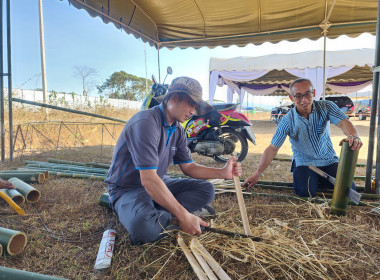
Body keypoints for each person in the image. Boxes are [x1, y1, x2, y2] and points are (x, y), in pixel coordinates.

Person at [105, 76, 242, 245]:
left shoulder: (178, 130)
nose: (193, 111)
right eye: (191, 104)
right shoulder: (146, 123)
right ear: (174, 98)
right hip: (128, 188)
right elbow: (148, 179)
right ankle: (161, 215)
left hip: (159, 182)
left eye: (196, 107)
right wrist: (184, 216)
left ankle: (160, 214)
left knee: (207, 190)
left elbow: (189, 167)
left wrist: (222, 173)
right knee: (143, 227)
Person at [243, 78, 362, 197]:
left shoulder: (326, 106)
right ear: (291, 98)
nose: (304, 100)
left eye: (307, 94)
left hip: (329, 160)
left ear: (313, 93)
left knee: (350, 193)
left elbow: (343, 123)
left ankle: (318, 180)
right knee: (305, 192)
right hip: (305, 163)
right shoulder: (287, 120)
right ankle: (315, 179)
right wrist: (257, 173)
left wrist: (353, 137)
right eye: (298, 96)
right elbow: (273, 148)